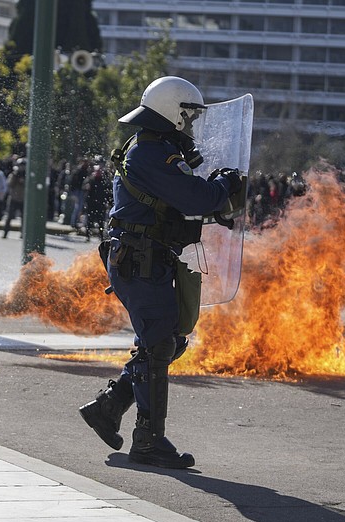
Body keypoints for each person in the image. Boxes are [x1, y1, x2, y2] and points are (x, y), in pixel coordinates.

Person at [78, 76, 242, 469]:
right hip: (140, 260)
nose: (192, 125)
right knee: (158, 347)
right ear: (174, 113)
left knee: (167, 341)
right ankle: (148, 441)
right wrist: (225, 185)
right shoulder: (152, 153)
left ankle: (109, 406)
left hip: (147, 259)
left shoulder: (156, 148)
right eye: (189, 116)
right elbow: (196, 198)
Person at [2, 158, 26, 239]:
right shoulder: (14, 174)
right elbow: (9, 184)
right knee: (9, 217)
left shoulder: (27, 175)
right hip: (13, 198)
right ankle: (5, 233)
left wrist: (24, 180)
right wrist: (16, 177)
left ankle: (23, 234)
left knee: (24, 218)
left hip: (23, 199)